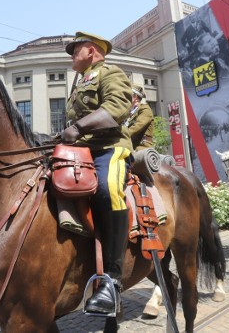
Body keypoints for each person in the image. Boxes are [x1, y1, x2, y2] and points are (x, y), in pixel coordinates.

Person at [61, 31, 132, 315]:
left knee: (107, 190)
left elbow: (116, 110)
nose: (71, 56)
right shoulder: (79, 82)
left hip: (109, 147)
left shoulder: (110, 72)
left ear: (91, 51)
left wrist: (78, 128)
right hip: (81, 150)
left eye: (75, 50)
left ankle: (112, 282)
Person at [123, 85, 154, 151]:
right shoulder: (129, 112)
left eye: (127, 95)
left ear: (135, 97)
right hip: (129, 145)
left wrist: (119, 136)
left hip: (141, 146)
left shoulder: (145, 109)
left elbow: (136, 127)